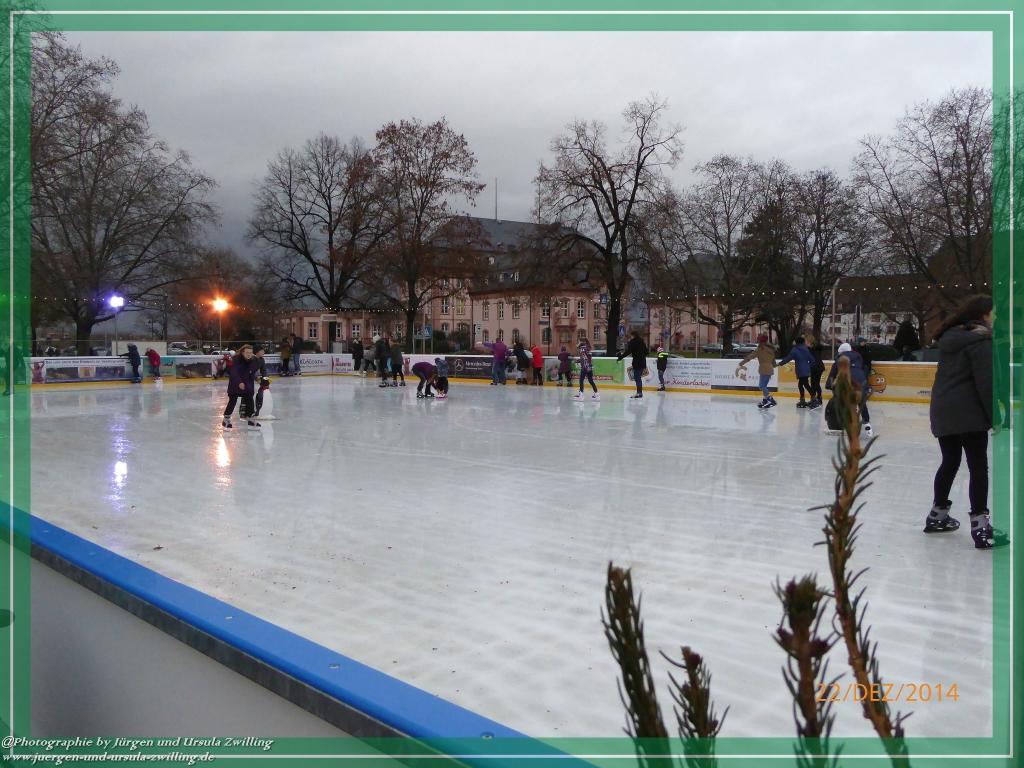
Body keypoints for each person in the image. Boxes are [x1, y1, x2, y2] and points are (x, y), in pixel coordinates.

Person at [926, 295, 1006, 549]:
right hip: (969, 413)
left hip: (943, 409)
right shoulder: (980, 341)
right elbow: (987, 383)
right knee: (978, 467)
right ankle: (981, 528)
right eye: (993, 312)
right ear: (984, 314)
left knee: (950, 461)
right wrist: (996, 418)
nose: (995, 317)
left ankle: (937, 516)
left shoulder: (950, 339)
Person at [825, 342, 873, 436]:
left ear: (841, 352)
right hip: (862, 384)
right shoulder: (858, 359)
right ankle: (867, 424)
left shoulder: (840, 360)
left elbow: (832, 375)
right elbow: (864, 371)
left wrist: (829, 385)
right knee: (861, 403)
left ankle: (849, 424)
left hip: (850, 385)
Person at [222, 344, 261, 429]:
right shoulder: (236, 360)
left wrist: (257, 378)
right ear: (242, 352)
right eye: (247, 352)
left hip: (247, 384)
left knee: (250, 399)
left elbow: (252, 372)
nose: (249, 354)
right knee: (233, 401)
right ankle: (226, 419)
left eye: (250, 353)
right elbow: (234, 373)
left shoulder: (253, 360)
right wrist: (239, 382)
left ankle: (250, 418)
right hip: (235, 384)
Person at [736, 334, 777, 409]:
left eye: (759, 340)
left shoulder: (760, 349)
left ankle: (771, 400)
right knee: (763, 386)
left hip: (764, 369)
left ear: (761, 341)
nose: (758, 342)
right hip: (769, 369)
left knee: (762, 386)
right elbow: (773, 360)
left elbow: (750, 357)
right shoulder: (771, 348)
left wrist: (741, 363)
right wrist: (774, 365)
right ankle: (765, 400)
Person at [776, 336, 816, 408]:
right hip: (806, 370)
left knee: (805, 385)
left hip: (800, 370)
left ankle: (811, 398)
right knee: (802, 385)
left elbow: (788, 358)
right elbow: (812, 360)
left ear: (796, 342)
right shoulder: (806, 349)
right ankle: (806, 399)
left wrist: (780, 363)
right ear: (803, 342)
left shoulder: (795, 350)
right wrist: (808, 367)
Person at [617, 330, 649, 399]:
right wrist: (641, 354)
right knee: (638, 378)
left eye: (631, 336)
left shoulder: (633, 342)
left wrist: (621, 357)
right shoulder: (642, 342)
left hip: (637, 362)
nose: (630, 337)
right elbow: (646, 352)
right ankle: (639, 393)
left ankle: (639, 393)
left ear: (633, 335)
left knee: (637, 378)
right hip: (643, 362)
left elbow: (628, 351)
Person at [807, 337, 826, 409]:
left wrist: (813, 344)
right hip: (813, 368)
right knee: (813, 383)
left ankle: (818, 397)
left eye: (807, 342)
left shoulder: (817, 348)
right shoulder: (808, 349)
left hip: (818, 367)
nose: (806, 343)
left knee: (816, 383)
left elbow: (820, 346)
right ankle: (814, 398)